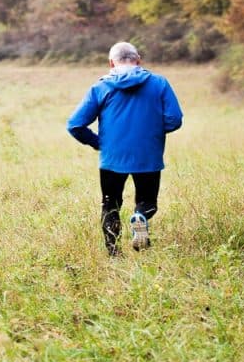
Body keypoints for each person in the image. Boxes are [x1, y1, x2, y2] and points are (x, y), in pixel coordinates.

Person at [67, 42, 183, 256]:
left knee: (110, 205)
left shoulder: (101, 87)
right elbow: (175, 119)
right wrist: (152, 132)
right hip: (148, 155)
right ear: (138, 59)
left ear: (111, 62)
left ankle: (114, 254)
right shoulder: (159, 83)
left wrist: (98, 142)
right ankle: (140, 216)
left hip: (112, 157)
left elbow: (75, 125)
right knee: (147, 202)